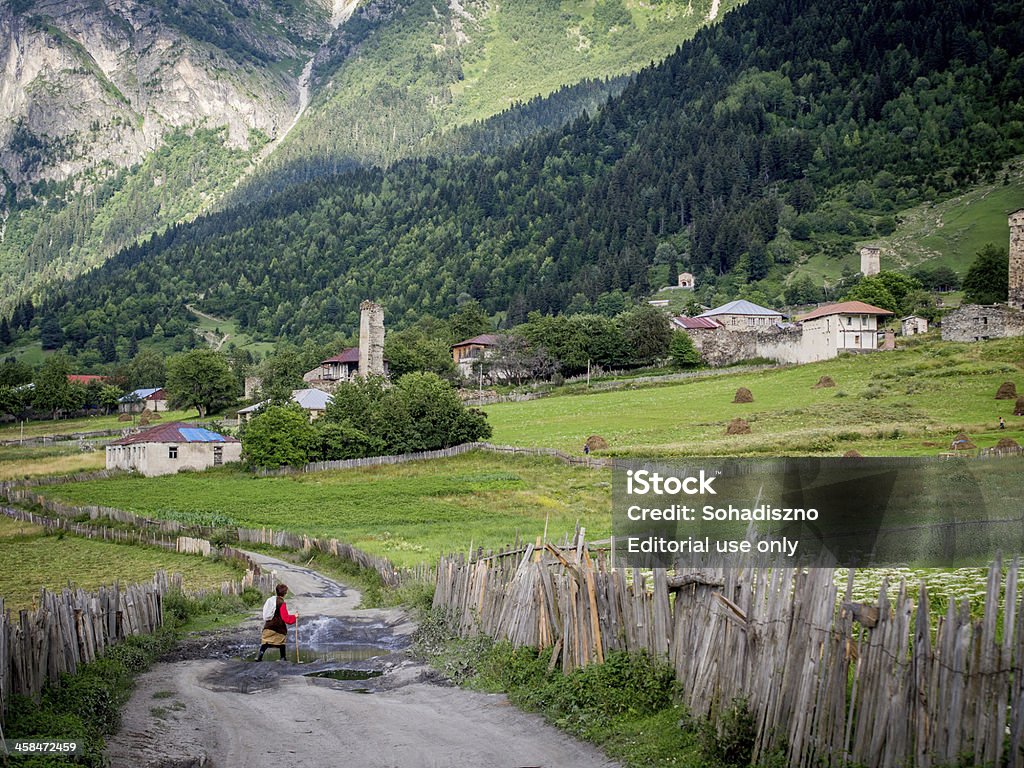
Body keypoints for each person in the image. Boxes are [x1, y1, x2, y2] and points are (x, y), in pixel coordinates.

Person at [257, 583, 297, 661]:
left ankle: (259, 657)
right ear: (285, 593)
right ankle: (283, 657)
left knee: (265, 642)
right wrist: (294, 617)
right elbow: (285, 618)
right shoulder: (281, 603)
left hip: (268, 626)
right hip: (278, 627)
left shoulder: (271, 600)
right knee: (281, 642)